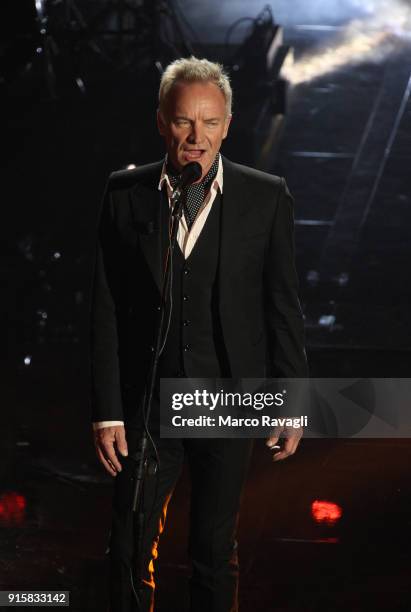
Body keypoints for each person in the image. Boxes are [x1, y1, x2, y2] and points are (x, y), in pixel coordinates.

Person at [90, 56, 308, 612]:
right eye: (185, 121)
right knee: (129, 546)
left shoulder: (265, 196)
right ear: (162, 122)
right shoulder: (125, 193)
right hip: (146, 401)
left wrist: (291, 400)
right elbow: (107, 306)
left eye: (210, 123)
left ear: (228, 125)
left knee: (213, 548)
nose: (197, 136)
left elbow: (283, 305)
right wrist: (108, 408)